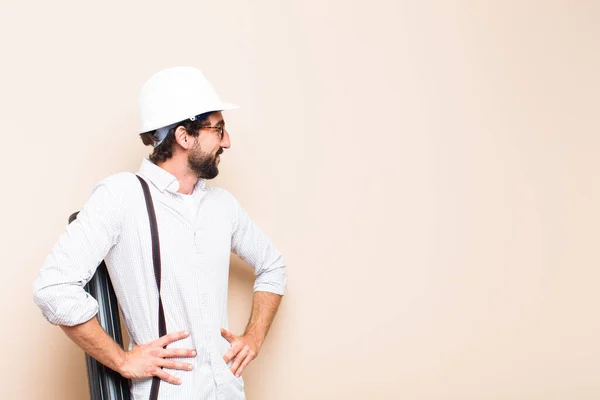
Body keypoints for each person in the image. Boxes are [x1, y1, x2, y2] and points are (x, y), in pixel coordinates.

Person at [33, 66, 287, 400]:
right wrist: (122, 360)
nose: (227, 140)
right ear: (184, 136)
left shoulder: (222, 205)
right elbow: (53, 288)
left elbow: (273, 266)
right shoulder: (120, 196)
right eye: (219, 128)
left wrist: (252, 337)